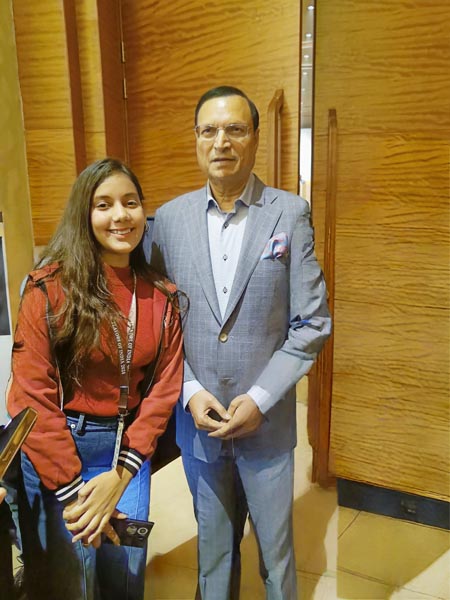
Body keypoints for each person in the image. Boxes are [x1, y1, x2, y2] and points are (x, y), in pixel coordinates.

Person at [151, 86, 332, 600]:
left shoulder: (289, 214)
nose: (221, 142)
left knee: (276, 557)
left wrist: (260, 398)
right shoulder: (168, 220)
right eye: (208, 130)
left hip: (267, 426)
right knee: (213, 553)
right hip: (199, 423)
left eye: (235, 129)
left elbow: (311, 322)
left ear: (254, 137)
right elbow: (159, 326)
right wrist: (188, 391)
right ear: (196, 139)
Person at [7, 158, 183, 600]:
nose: (120, 215)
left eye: (130, 202)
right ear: (84, 214)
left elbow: (164, 389)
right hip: (57, 447)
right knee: (72, 584)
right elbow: (31, 394)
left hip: (127, 450)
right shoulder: (48, 288)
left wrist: (120, 476)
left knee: (124, 578)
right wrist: (74, 491)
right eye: (104, 205)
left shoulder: (161, 295)